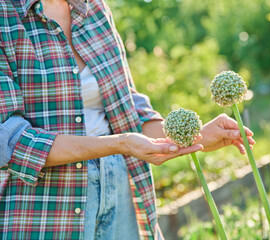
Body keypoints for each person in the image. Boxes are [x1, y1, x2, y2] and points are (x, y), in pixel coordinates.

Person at [0, 0, 255, 239]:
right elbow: (10, 140)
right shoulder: (6, 15)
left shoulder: (94, 9)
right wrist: (120, 144)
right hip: (45, 205)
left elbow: (127, 107)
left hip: (120, 186)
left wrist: (193, 134)